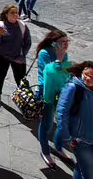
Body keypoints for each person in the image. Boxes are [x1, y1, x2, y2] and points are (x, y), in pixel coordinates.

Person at [57, 61, 93, 179]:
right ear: (82, 73)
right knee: (91, 174)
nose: (88, 78)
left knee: (81, 167)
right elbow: (61, 114)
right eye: (86, 74)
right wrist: (66, 137)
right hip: (80, 140)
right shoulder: (72, 88)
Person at [36, 30, 71, 168]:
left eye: (67, 42)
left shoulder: (65, 54)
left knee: (63, 123)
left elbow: (65, 73)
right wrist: (59, 59)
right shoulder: (44, 53)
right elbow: (50, 74)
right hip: (47, 93)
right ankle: (45, 151)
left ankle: (58, 147)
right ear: (54, 43)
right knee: (47, 124)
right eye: (63, 42)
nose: (66, 44)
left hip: (61, 91)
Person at [0, 4, 31, 107]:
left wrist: (22, 56)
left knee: (20, 79)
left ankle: (23, 100)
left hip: (18, 57)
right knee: (0, 76)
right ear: (6, 14)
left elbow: (28, 43)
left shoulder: (22, 26)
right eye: (12, 12)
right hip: (2, 56)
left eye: (16, 12)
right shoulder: (1, 25)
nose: (15, 15)